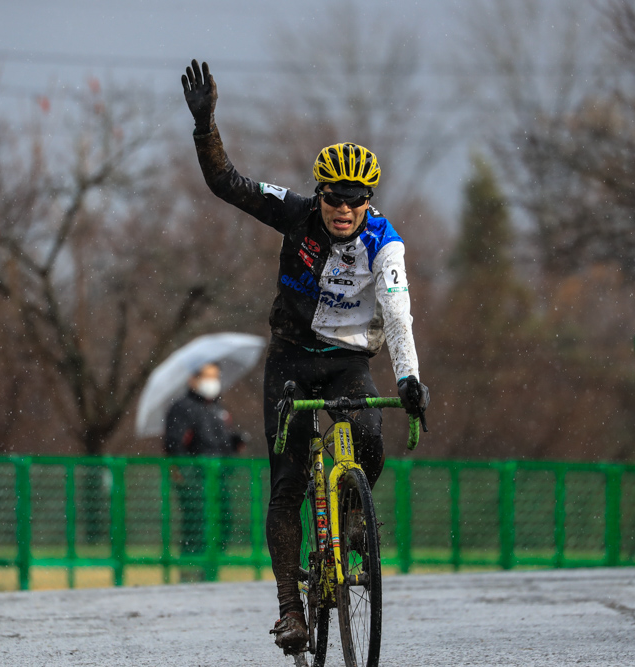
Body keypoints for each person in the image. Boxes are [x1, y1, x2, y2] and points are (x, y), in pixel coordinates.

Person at [182, 60, 430, 653]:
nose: (343, 211)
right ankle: (291, 607)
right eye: (333, 200)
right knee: (288, 483)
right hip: (292, 359)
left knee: (370, 441)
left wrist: (410, 377)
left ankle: (348, 522)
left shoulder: (384, 243)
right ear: (319, 194)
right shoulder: (295, 215)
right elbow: (228, 184)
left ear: (368, 201)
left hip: (348, 360)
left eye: (354, 202)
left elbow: (397, 313)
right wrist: (205, 125)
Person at [164, 362, 247, 582]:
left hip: (218, 479)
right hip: (195, 480)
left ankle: (211, 572)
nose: (213, 381)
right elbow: (175, 444)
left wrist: (234, 444)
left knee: (223, 523)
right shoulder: (182, 407)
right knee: (196, 525)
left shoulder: (218, 409)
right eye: (207, 376)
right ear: (193, 379)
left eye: (216, 376)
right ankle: (190, 574)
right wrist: (186, 474)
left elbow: (219, 445)